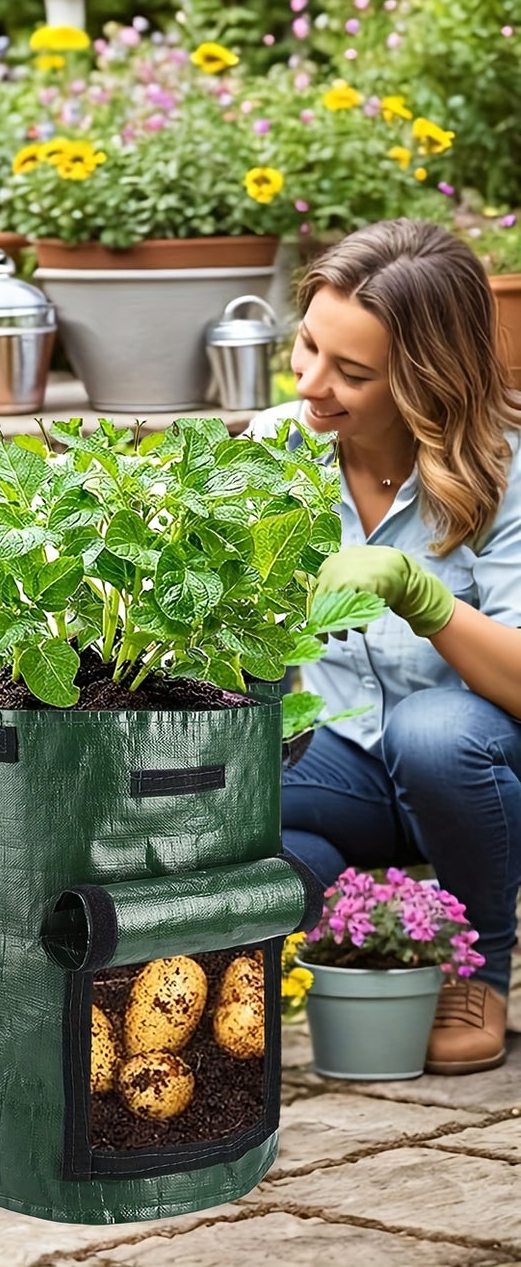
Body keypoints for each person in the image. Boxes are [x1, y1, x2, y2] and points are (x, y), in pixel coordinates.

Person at [249, 218, 521, 1075]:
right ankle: (360, 931)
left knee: (434, 731)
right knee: (234, 779)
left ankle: (477, 963)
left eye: (352, 373)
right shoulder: (276, 453)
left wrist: (424, 597)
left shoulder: (502, 471)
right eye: (307, 348)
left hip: (478, 772)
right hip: (347, 769)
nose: (313, 385)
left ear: (425, 380)